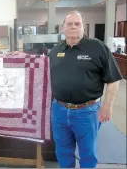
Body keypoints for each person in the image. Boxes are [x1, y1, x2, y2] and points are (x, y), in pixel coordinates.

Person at [49, 10, 122, 168]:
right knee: (63, 152)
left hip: (87, 112)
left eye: (78, 24)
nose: (73, 27)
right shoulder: (55, 51)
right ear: (63, 28)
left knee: (88, 154)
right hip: (59, 110)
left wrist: (107, 107)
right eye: (70, 24)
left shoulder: (97, 48)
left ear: (83, 27)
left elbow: (114, 79)